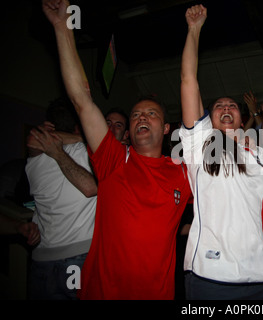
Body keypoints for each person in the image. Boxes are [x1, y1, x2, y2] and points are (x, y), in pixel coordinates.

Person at [42, 0, 192, 299]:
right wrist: (63, 28)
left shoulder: (183, 173)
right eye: (135, 114)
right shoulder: (114, 159)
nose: (141, 118)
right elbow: (82, 100)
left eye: (151, 114)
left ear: (166, 128)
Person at [179, 5, 263, 300]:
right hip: (211, 278)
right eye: (218, 106)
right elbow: (187, 80)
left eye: (231, 105)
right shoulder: (200, 146)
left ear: (240, 115)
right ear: (209, 118)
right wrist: (194, 30)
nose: (225, 108)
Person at [25, 97, 97, 300]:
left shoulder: (33, 157)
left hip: (41, 258)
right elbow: (91, 188)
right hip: (76, 258)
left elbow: (32, 142)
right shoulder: (84, 151)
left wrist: (46, 136)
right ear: (78, 126)